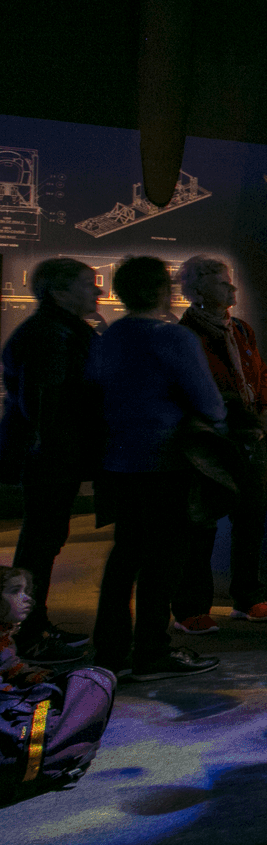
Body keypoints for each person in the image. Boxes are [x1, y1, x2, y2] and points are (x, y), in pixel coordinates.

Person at [89, 256, 223, 681]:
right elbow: (211, 405)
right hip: (166, 464)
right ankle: (152, 651)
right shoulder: (175, 339)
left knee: (125, 556)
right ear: (165, 291)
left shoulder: (109, 338)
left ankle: (109, 652)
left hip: (117, 464)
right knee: (163, 563)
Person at [0, 257, 102, 663]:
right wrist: (63, 453)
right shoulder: (53, 334)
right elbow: (44, 403)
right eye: (88, 283)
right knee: (41, 542)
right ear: (60, 292)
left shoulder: (53, 330)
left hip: (45, 454)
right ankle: (27, 635)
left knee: (43, 540)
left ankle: (32, 626)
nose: (97, 291)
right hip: (48, 456)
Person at [173, 256, 267, 632]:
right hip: (210, 443)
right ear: (197, 288)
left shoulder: (241, 330)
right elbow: (197, 389)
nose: (232, 290)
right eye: (223, 283)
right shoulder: (185, 335)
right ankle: (191, 608)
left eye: (231, 282)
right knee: (200, 526)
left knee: (251, 520)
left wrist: (266, 408)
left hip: (251, 440)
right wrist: (243, 416)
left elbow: (260, 372)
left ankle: (248, 597)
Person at [0, 566, 116, 795]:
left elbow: (10, 667)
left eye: (26, 590)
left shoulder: (5, 637)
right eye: (15, 591)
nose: (27, 599)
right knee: (91, 685)